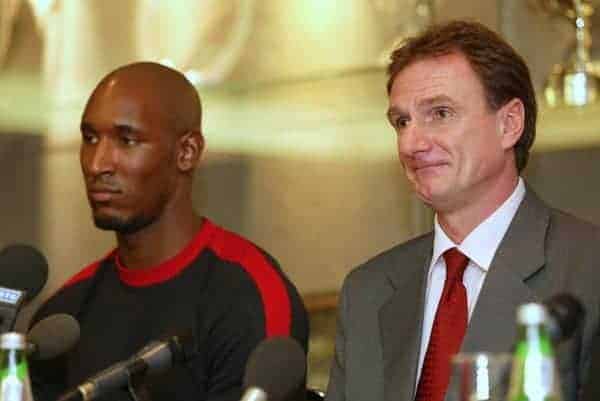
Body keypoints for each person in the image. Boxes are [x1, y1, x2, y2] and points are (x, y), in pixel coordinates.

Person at [326, 20, 600, 401]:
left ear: (509, 123)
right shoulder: (368, 292)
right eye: (402, 121)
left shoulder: (588, 269)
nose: (412, 142)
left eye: (439, 113)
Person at [29, 62, 309, 401]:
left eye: (126, 140)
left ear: (186, 152)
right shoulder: (63, 317)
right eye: (90, 138)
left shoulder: (248, 296)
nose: (97, 163)